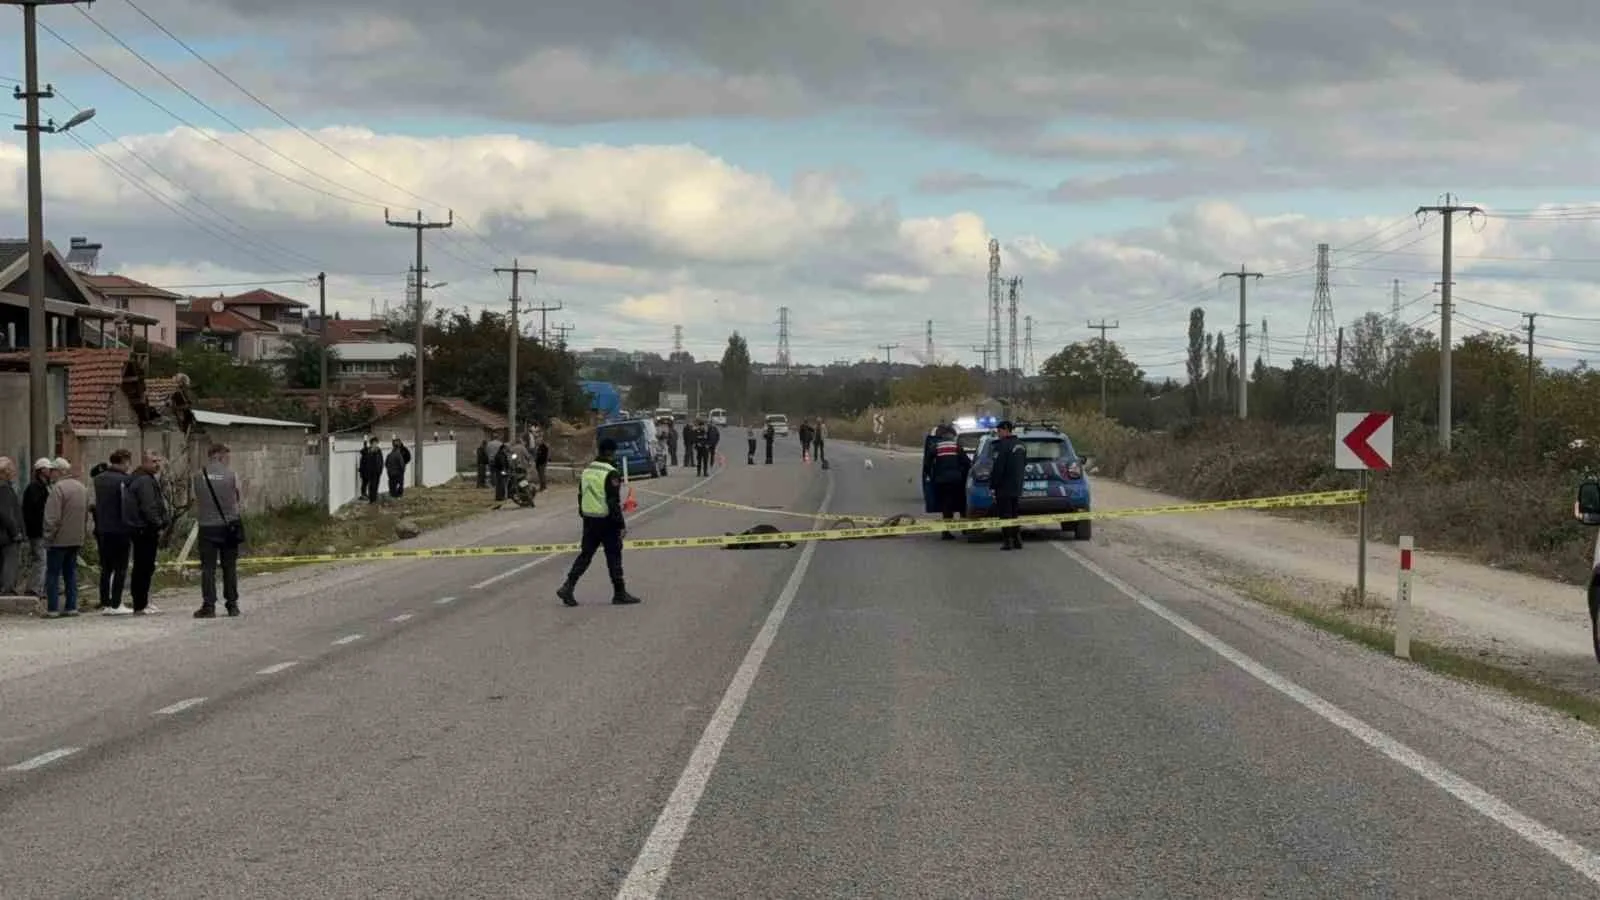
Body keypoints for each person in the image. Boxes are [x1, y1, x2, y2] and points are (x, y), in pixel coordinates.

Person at [555, 437, 640, 607]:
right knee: (614, 556)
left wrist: (584, 513)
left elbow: (581, 494)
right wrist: (621, 524)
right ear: (611, 452)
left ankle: (568, 586)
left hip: (590, 519)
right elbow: (612, 502)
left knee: (585, 555)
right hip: (607, 521)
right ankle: (619, 593)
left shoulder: (587, 470)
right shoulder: (611, 472)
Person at [193, 443, 244, 618]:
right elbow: (238, 498)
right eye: (227, 457)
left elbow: (198, 499)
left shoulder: (199, 475)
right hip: (228, 526)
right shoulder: (232, 475)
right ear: (220, 456)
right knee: (229, 567)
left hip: (207, 527)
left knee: (208, 568)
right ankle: (232, 605)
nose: (228, 460)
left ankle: (209, 606)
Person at [41, 457, 90, 618]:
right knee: (70, 573)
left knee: (53, 574)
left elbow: (52, 518)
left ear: (60, 472)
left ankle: (53, 608)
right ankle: (71, 607)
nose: (51, 474)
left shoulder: (58, 489)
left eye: (53, 470)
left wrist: (48, 537)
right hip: (76, 538)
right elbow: (85, 516)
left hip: (58, 540)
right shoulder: (81, 488)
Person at [123, 450, 169, 615]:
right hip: (145, 529)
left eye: (158, 461)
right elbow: (148, 506)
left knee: (143, 566)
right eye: (153, 461)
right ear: (144, 462)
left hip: (140, 528)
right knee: (144, 566)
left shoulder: (142, 478)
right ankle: (141, 604)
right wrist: (158, 524)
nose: (157, 464)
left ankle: (142, 602)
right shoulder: (144, 481)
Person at [91, 449, 134, 613]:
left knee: (106, 567)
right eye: (128, 462)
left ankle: (105, 601)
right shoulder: (125, 480)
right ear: (123, 461)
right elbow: (127, 505)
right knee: (120, 568)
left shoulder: (99, 479)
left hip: (103, 528)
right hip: (121, 528)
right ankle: (116, 603)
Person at [923, 426, 971, 540]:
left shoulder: (936, 446)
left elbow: (927, 463)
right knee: (961, 503)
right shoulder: (957, 447)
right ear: (953, 435)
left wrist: (930, 475)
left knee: (946, 505)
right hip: (956, 480)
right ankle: (964, 528)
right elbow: (966, 462)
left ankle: (946, 531)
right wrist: (963, 473)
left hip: (941, 480)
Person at [989, 420, 1027, 550]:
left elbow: (998, 468)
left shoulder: (1002, 446)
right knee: (1014, 513)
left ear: (1006, 430)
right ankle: (1017, 539)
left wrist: (993, 485)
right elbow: (1024, 464)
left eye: (999, 431)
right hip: (1017, 485)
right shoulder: (1021, 445)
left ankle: (1008, 541)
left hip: (1004, 486)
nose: (998, 434)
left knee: (1005, 514)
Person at [23, 457, 52, 599]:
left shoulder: (44, 486)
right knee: (41, 560)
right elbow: (36, 509)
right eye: (48, 469)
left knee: (41, 559)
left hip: (41, 529)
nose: (50, 471)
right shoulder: (35, 487)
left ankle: (36, 587)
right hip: (37, 530)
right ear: (42, 470)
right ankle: (35, 589)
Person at [0, 457, 22, 595]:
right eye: (12, 470)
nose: (14, 473)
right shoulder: (4, 488)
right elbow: (6, 513)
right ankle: (7, 589)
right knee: (10, 560)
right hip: (6, 534)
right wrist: (15, 532)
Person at [359, 438, 384, 503]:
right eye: (374, 443)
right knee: (371, 485)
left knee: (376, 485)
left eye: (376, 443)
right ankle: (372, 499)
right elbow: (363, 461)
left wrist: (381, 469)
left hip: (377, 471)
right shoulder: (368, 451)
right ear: (371, 443)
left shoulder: (379, 451)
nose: (375, 444)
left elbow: (381, 461)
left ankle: (374, 498)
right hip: (370, 471)